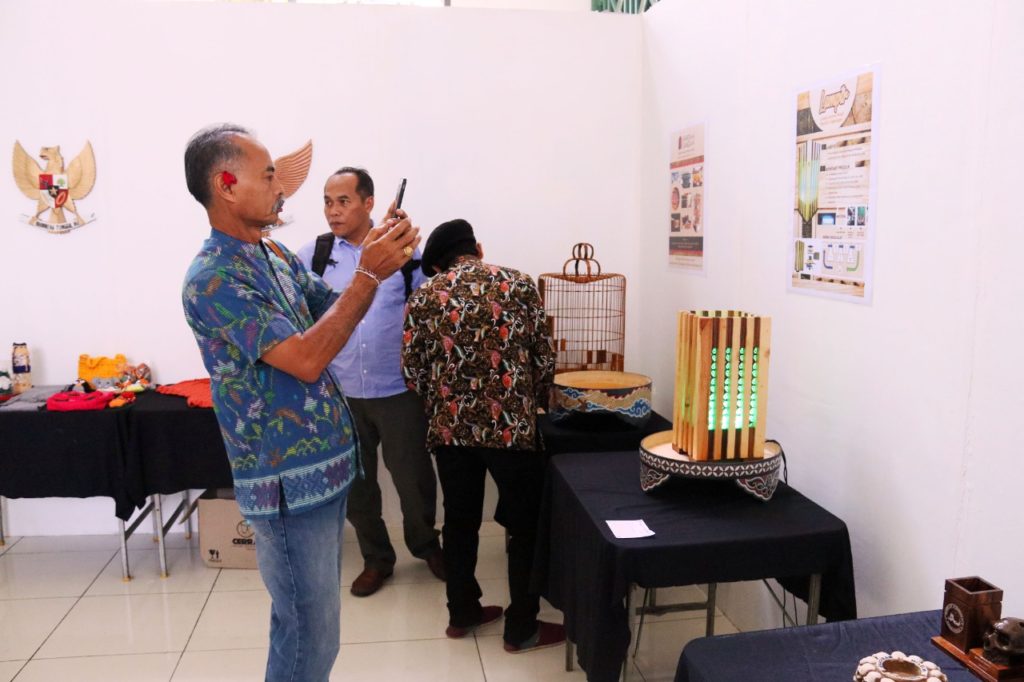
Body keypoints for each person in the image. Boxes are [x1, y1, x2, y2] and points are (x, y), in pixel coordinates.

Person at [180, 123, 419, 682]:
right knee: (310, 632)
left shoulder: (271, 255)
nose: (281, 188)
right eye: (268, 177)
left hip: (325, 472)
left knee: (308, 625)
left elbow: (335, 312)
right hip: (287, 485)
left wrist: (376, 256)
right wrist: (369, 273)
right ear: (227, 185)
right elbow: (308, 359)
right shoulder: (213, 279)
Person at [401, 219, 566, 653]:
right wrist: (527, 400)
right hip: (512, 429)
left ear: (438, 265)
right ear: (478, 247)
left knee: (460, 522)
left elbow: (412, 372)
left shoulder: (423, 297)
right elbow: (543, 360)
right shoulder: (519, 284)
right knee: (524, 527)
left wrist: (444, 401)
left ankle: (463, 613)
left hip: (450, 431)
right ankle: (522, 626)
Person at [297, 167, 443, 597]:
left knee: (414, 481)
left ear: (369, 203)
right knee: (357, 488)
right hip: (340, 393)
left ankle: (427, 546)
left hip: (397, 389)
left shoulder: (401, 253)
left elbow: (429, 306)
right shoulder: (313, 256)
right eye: (327, 202)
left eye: (343, 201)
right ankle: (376, 559)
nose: (333, 211)